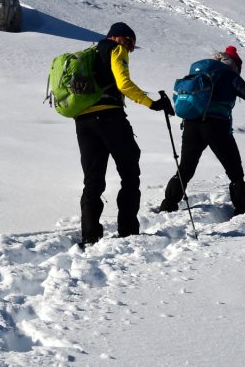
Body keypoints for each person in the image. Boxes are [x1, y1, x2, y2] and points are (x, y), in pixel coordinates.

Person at [159, 45, 245, 216]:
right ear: (235, 64)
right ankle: (242, 209)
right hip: (216, 126)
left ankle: (168, 205)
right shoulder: (229, 75)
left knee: (185, 167)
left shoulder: (200, 71)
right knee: (234, 170)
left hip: (191, 124)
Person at [74, 22, 173, 247]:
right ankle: (127, 231)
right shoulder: (114, 50)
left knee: (92, 180)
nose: (130, 49)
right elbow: (124, 84)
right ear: (119, 38)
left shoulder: (90, 53)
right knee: (129, 173)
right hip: (110, 118)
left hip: (83, 121)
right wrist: (153, 104)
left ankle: (90, 237)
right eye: (130, 43)